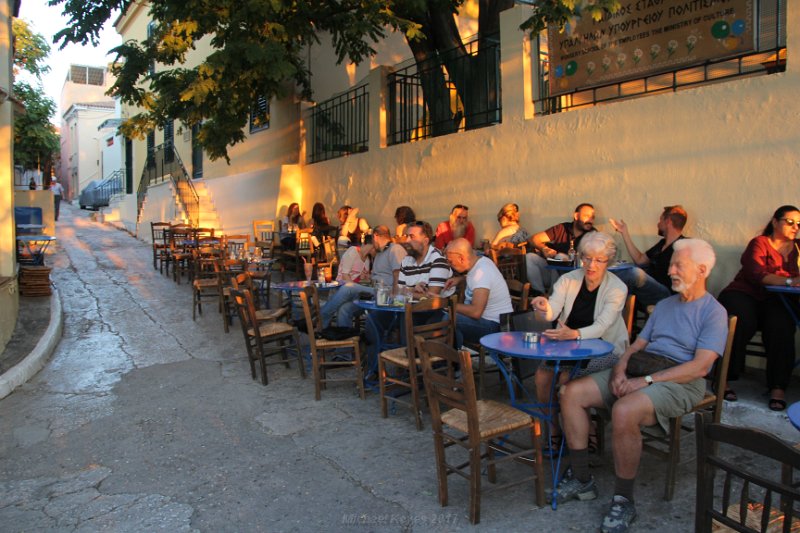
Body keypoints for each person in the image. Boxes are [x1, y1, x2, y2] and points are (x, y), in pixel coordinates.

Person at [554, 239, 728, 533]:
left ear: (701, 270)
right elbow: (636, 346)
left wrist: (643, 382)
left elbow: (701, 367)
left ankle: (624, 499)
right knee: (571, 393)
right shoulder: (664, 305)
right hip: (642, 368)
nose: (670, 270)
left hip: (680, 381)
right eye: (671, 264)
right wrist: (621, 370)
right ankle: (582, 479)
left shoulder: (713, 312)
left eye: (677, 266)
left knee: (623, 410)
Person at [530, 232, 629, 437]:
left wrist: (574, 334)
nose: (591, 265)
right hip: (567, 346)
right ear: (580, 257)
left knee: (567, 377)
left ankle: (584, 431)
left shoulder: (618, 288)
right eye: (587, 258)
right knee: (542, 376)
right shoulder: (569, 279)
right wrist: (543, 307)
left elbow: (602, 326)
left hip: (605, 349)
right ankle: (554, 429)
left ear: (608, 261)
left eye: (599, 260)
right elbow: (553, 310)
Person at [718, 205, 800, 410]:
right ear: (775, 222)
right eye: (790, 222)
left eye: (798, 224)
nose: (795, 227)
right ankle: (722, 379)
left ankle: (778, 387)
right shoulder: (760, 243)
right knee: (742, 320)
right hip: (745, 292)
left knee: (782, 325)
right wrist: (791, 281)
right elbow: (757, 274)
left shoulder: (798, 248)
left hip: (777, 299)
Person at [365, 221, 452, 364]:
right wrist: (413, 290)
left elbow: (431, 298)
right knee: (373, 319)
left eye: (411, 236)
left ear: (425, 240)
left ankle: (410, 371)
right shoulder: (406, 260)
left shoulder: (438, 260)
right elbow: (399, 291)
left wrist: (409, 291)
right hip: (405, 307)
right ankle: (374, 369)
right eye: (406, 236)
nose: (406, 240)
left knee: (407, 317)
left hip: (432, 313)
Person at [320, 226, 406, 328]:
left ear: (375, 236)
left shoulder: (395, 249)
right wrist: (368, 277)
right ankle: (346, 339)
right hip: (373, 292)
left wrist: (395, 296)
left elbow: (399, 274)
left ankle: (321, 317)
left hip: (385, 293)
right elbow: (378, 275)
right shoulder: (379, 254)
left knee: (348, 287)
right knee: (344, 309)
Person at [609, 205, 687, 307]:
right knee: (621, 272)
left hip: (667, 295)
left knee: (635, 273)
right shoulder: (662, 244)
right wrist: (624, 233)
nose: (658, 224)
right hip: (649, 290)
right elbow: (640, 260)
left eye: (660, 220)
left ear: (668, 221)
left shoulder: (684, 245)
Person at [444, 238, 513, 347]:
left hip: (495, 327)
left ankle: (452, 360)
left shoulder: (482, 272)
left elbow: (476, 312)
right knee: (443, 317)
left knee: (448, 318)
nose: (449, 264)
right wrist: (461, 279)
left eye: (450, 261)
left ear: (461, 258)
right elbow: (476, 279)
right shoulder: (480, 262)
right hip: (488, 321)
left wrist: (446, 303)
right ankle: (453, 357)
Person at [525, 203, 597, 294]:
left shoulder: (593, 234)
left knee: (560, 256)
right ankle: (540, 295)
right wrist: (543, 248)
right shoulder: (562, 228)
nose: (590, 220)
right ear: (576, 216)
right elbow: (534, 239)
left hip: (576, 278)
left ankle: (553, 295)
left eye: (593, 217)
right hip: (552, 274)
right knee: (529, 257)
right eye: (587, 216)